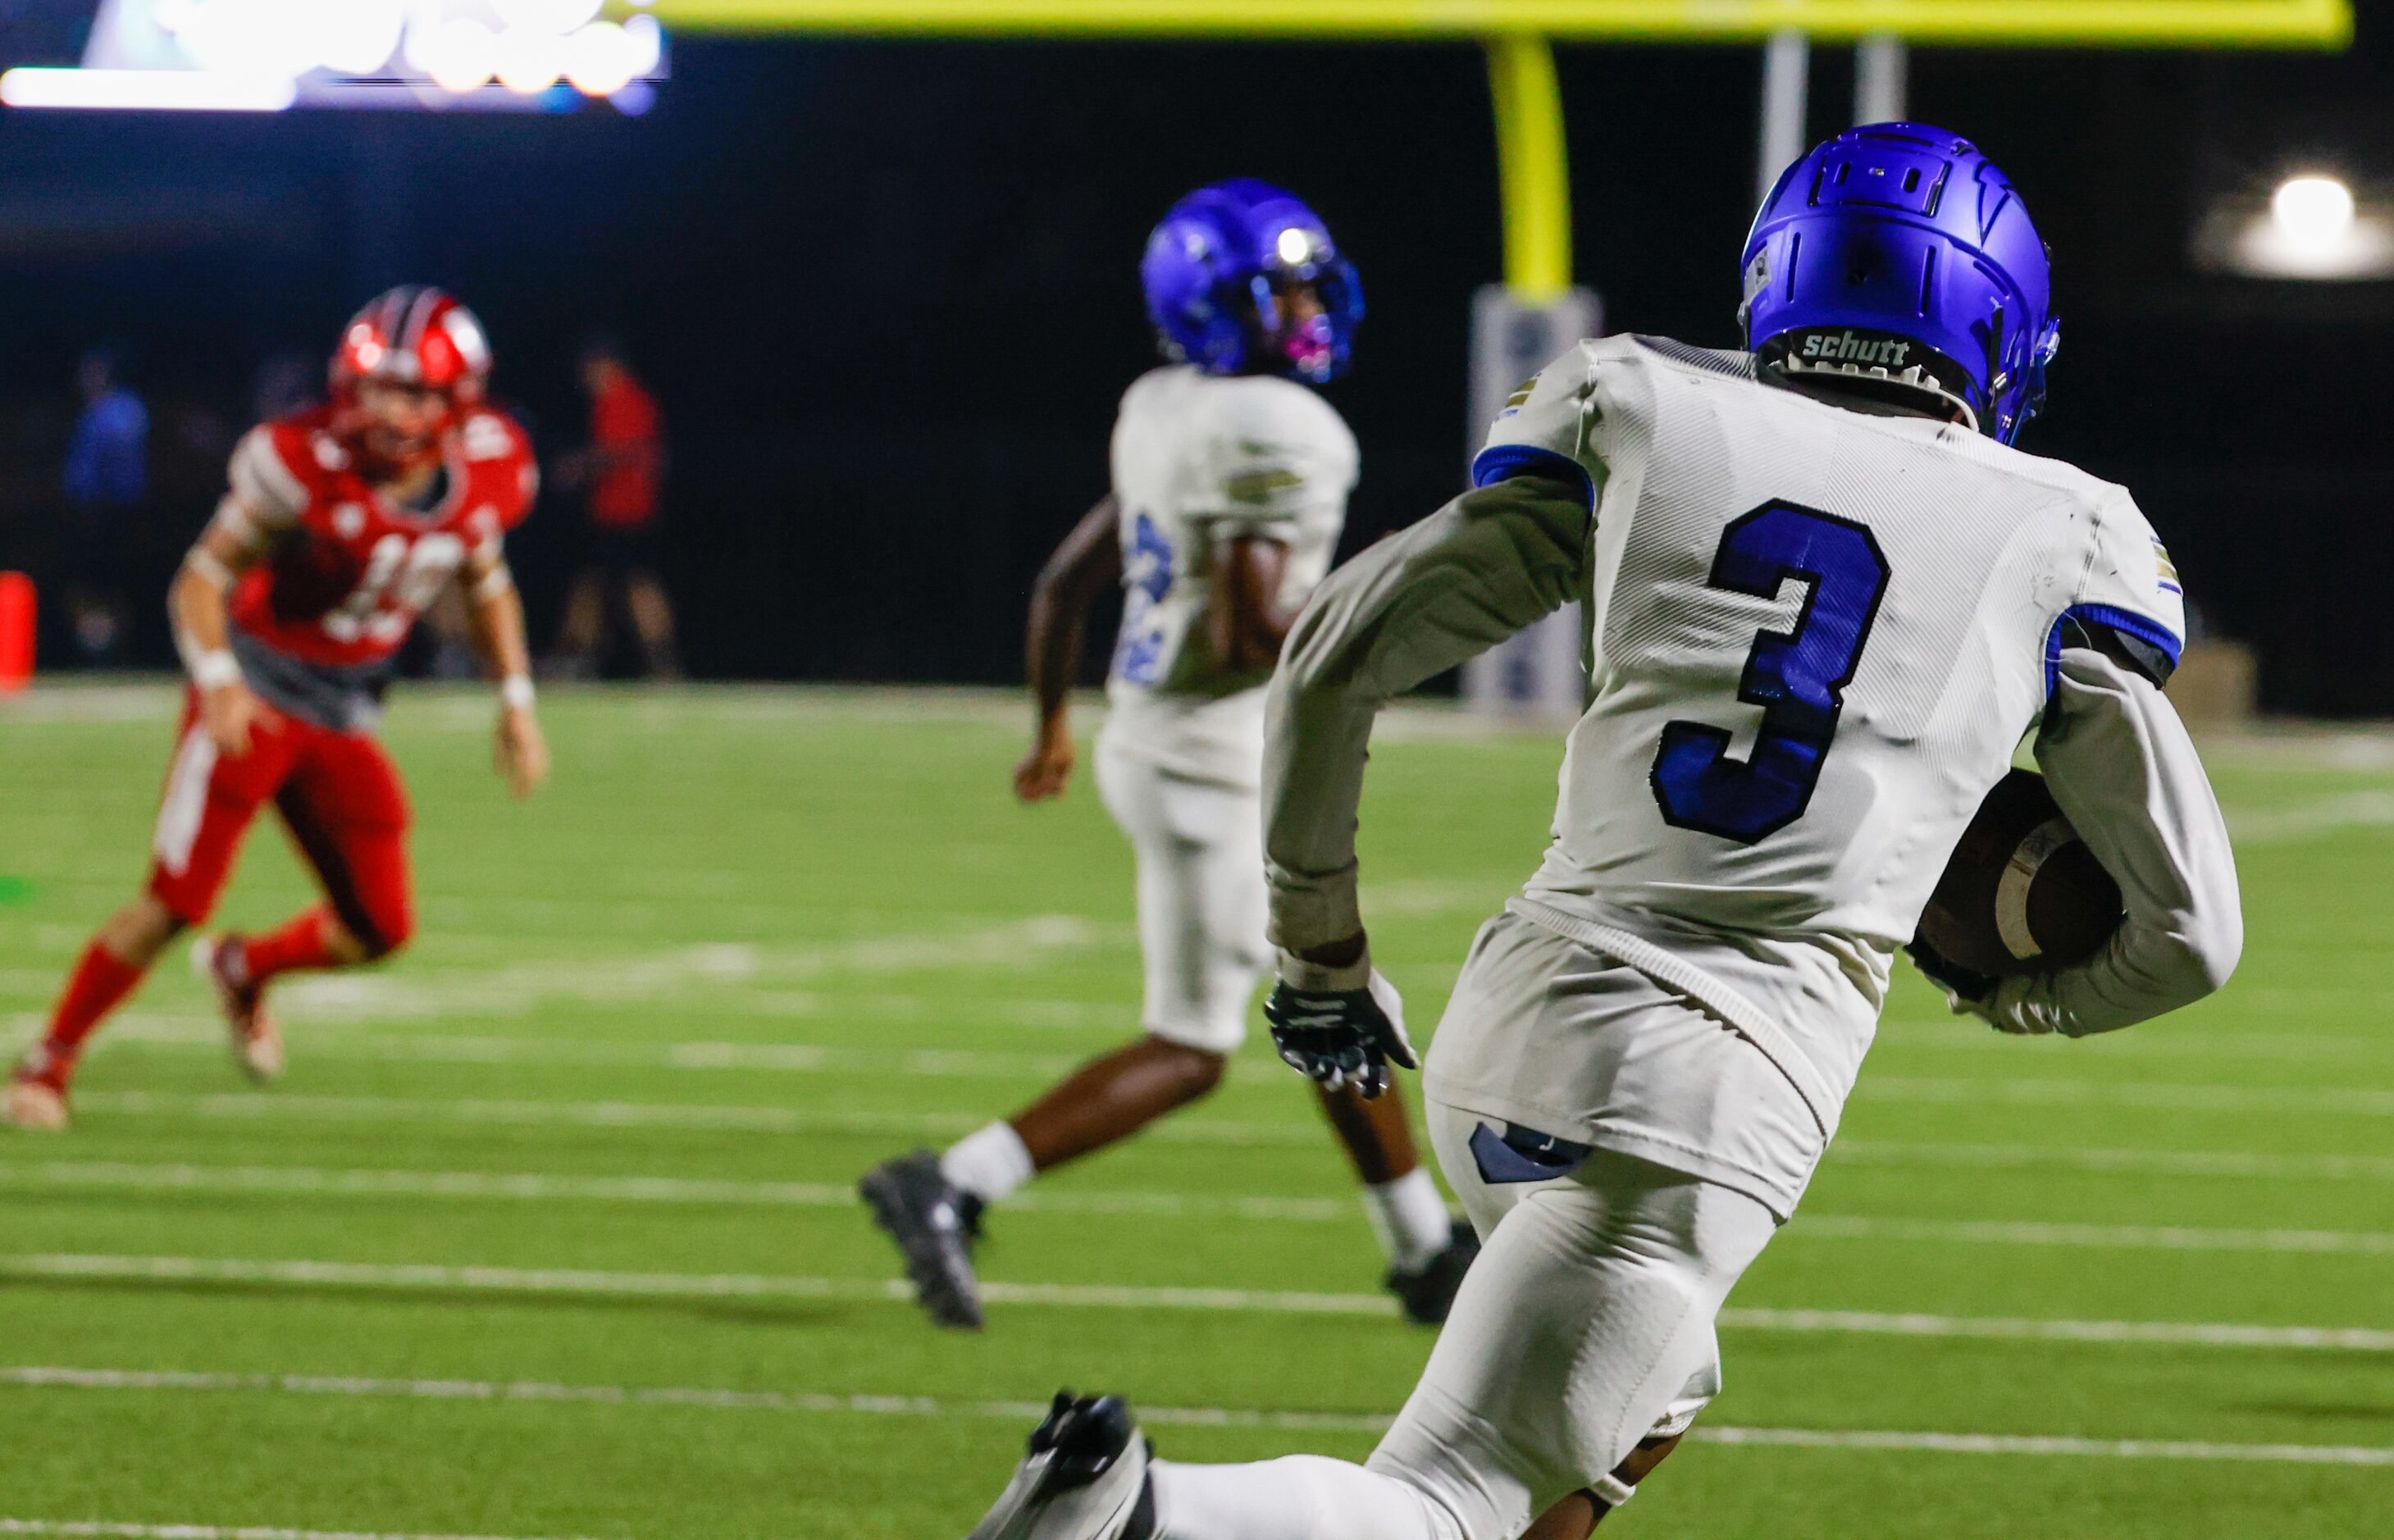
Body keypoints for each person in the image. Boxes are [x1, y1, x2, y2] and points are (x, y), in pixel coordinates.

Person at [960, 125, 2244, 1540]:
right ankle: (1132, 1510)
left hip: (1505, 1034)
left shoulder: (1643, 400)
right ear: (1998, 325)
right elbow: (2189, 931)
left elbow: (1332, 650)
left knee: (1656, 1391)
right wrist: (2027, 998)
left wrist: (1319, 952)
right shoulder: (2065, 529)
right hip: (1706, 1090)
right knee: (1450, 1491)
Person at [860, 180, 1478, 1333]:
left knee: (1311, 1002)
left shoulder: (1160, 406)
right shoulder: (1272, 428)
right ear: (1214, 307)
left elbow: (1062, 582)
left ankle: (1423, 1244)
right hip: (1207, 761)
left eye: (1306, 287)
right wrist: (1389, 596)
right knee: (1234, 1032)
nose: (1302, 311)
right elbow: (1253, 631)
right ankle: (950, 1182)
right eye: (1276, 293)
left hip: (1156, 739)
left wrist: (1050, 721)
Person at [5, 286, 548, 1132]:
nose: (384, 410)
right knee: (176, 898)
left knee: (380, 926)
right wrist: (218, 679)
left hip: (343, 715)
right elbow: (202, 577)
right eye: (371, 387)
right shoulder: (301, 460)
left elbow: (486, 579)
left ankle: (244, 969)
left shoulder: (490, 466)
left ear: (458, 399)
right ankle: (49, 1062)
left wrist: (515, 700)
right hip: (255, 695)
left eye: (409, 391)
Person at [548, 335, 677, 678]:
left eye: (590, 370)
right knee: (595, 583)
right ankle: (579, 654)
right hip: (616, 511)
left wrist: (577, 466)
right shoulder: (622, 400)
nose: (586, 379)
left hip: (625, 511)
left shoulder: (624, 399)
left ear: (608, 366)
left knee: (634, 584)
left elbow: (618, 452)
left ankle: (659, 660)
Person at [60, 348, 151, 663]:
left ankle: (117, 655)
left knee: (113, 585)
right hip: (87, 512)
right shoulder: (91, 412)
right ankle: (87, 652)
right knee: (85, 586)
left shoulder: (123, 410)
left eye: (91, 372)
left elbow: (121, 467)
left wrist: (102, 508)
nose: (83, 380)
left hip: (113, 512)